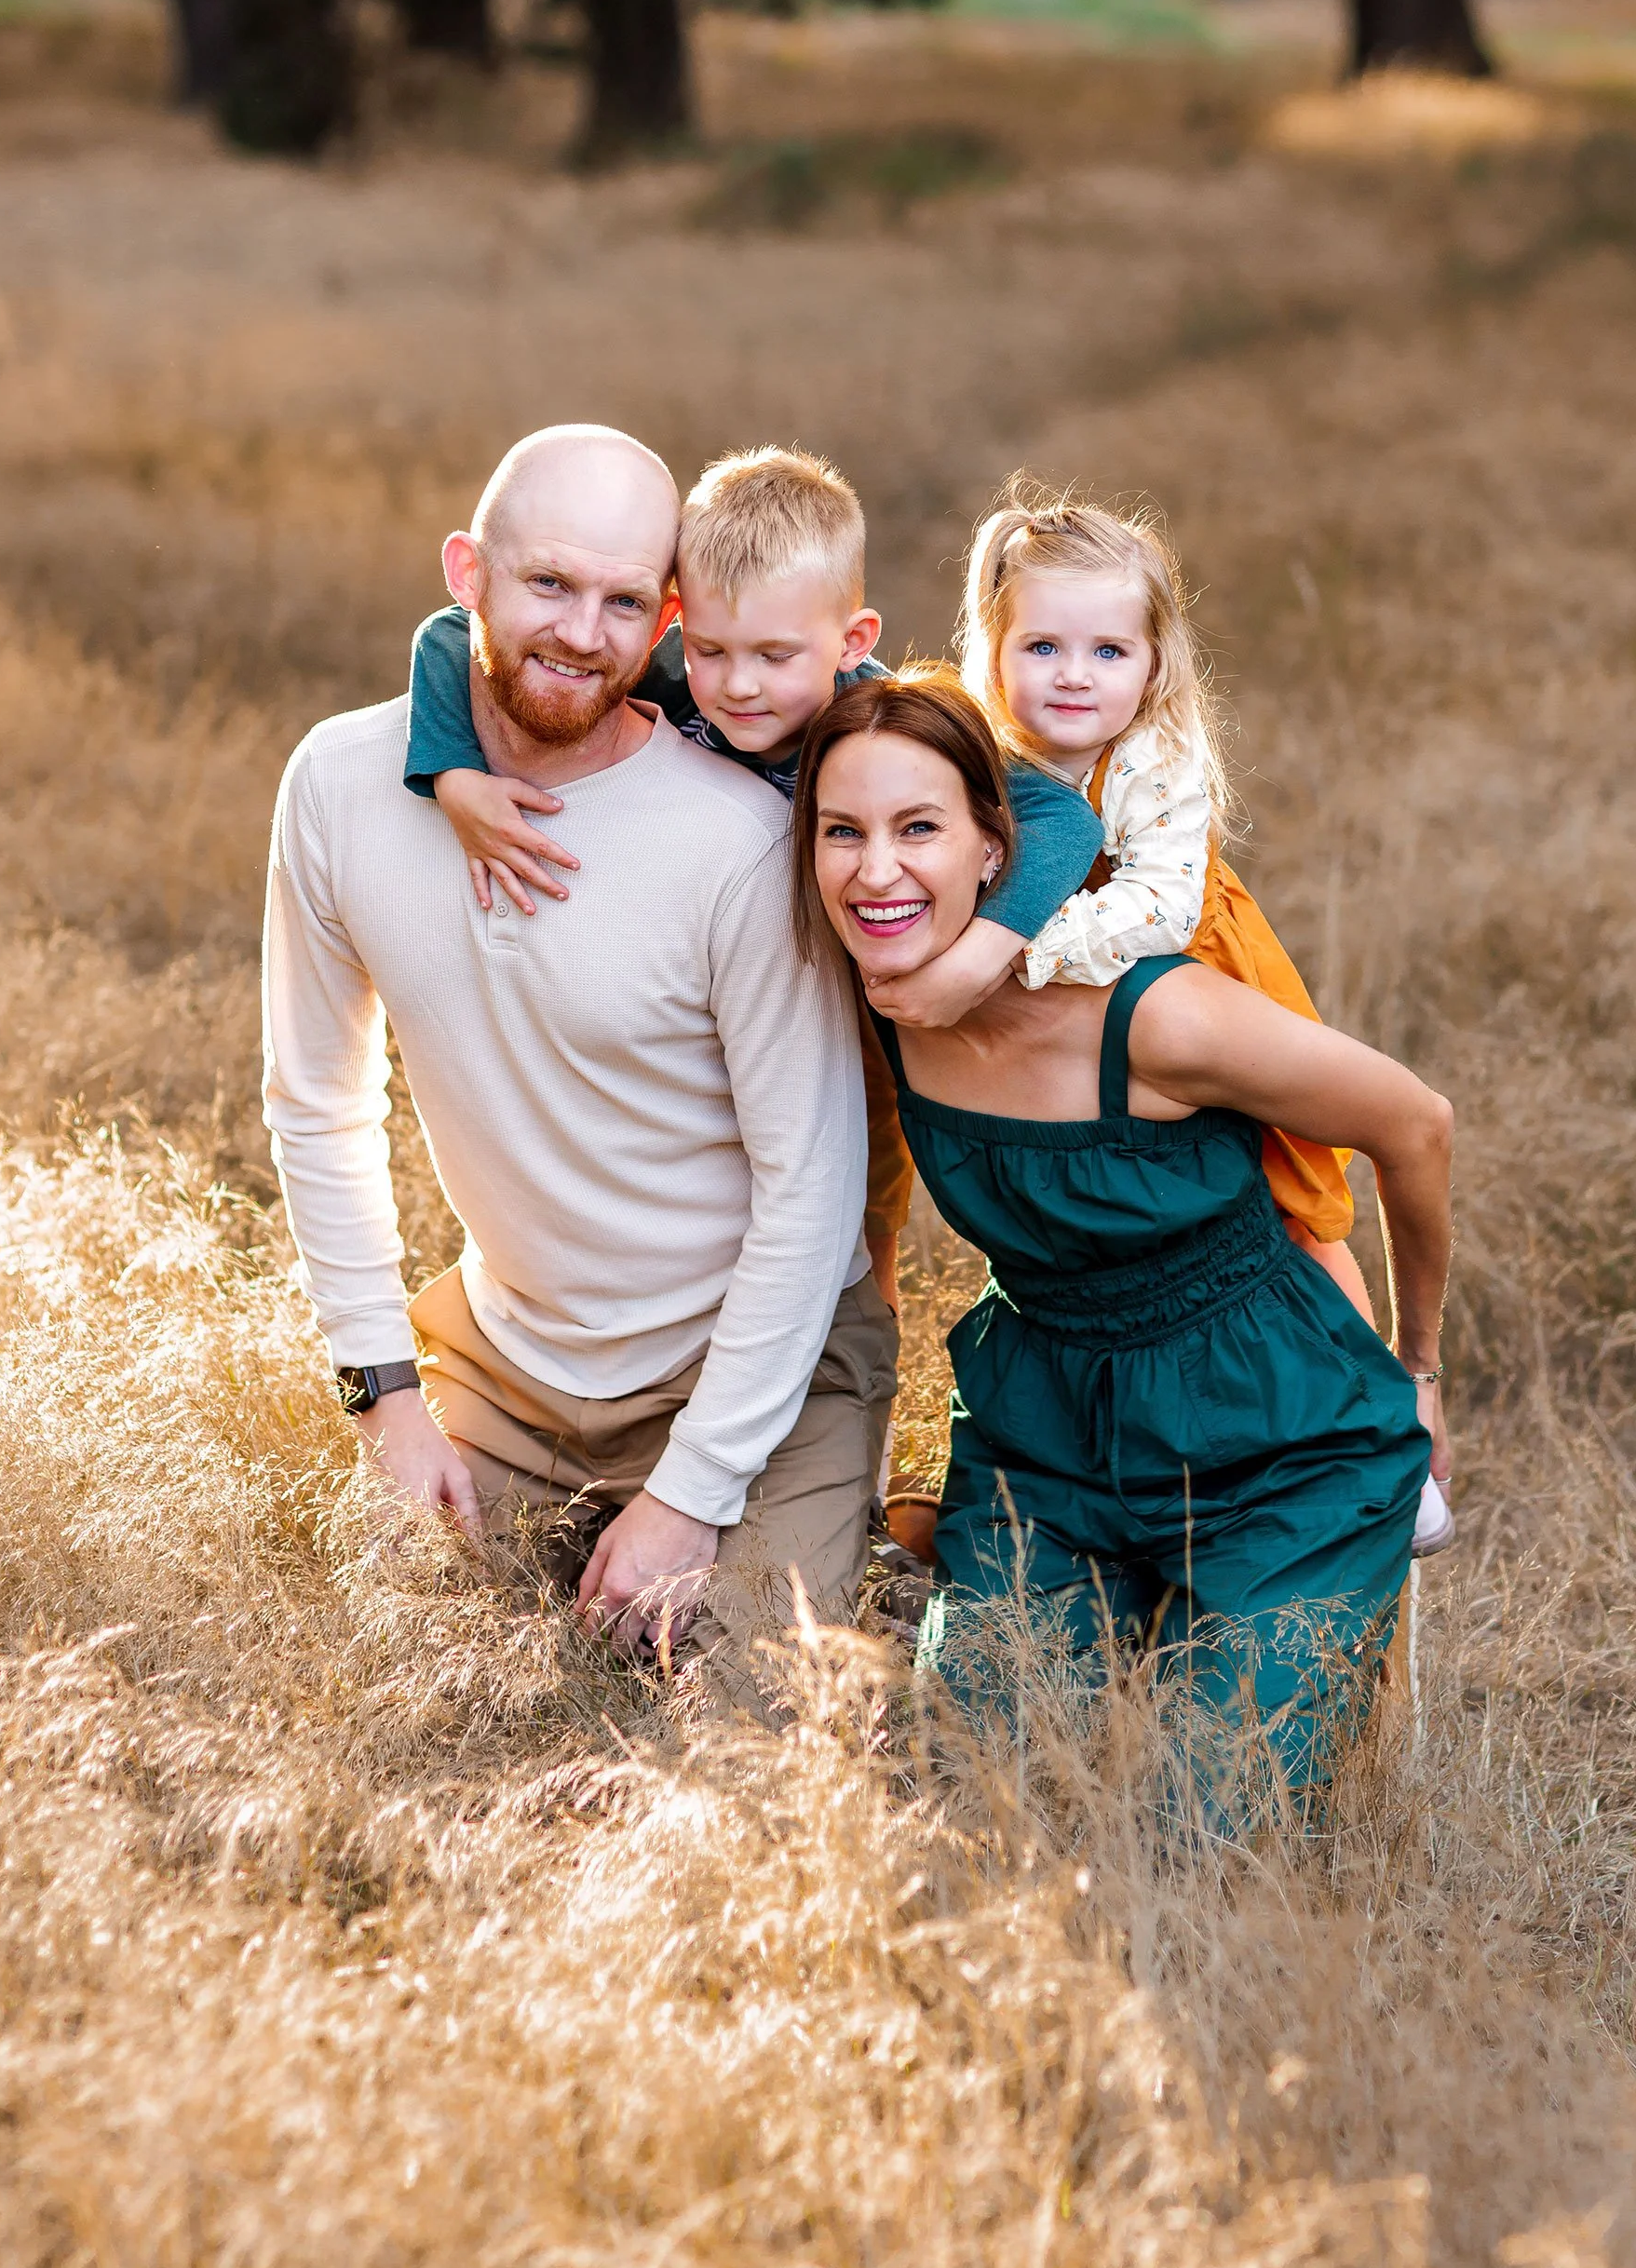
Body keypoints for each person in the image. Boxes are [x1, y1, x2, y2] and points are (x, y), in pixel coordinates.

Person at [261, 421, 899, 1699]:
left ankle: (889, 1533)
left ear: (666, 615)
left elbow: (811, 1192)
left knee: (750, 1728)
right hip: (509, 1362)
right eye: (548, 584)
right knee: (397, 1693)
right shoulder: (340, 783)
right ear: (467, 573)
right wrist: (385, 1396)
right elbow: (317, 1104)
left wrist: (692, 1491)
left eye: (624, 602)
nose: (581, 633)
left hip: (753, 1365)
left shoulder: (742, 840)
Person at [793, 671, 1454, 1814]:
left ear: (995, 849)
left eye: (918, 829)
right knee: (976, 1795)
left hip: (1277, 1442)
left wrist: (1422, 1367)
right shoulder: (874, 1002)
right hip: (1043, 1437)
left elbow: (1414, 1122)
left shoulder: (1153, 1013)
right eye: (840, 832)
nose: (875, 870)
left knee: (1196, 1822)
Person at [867, 482, 1454, 1558]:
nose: (1073, 675)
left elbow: (1157, 906)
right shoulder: (986, 746)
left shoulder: (1154, 755)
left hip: (1188, 964)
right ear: (991, 650)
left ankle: (1376, 1423)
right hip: (1067, 1016)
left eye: (1106, 651)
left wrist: (1006, 953)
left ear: (1153, 663)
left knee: (1287, 1194)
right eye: (1040, 645)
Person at [399, 442, 1104, 1316]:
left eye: (776, 657)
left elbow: (1064, 816)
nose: (737, 687)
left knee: (861, 1200)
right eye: (710, 649)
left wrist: (972, 961)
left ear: (853, 643)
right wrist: (454, 774)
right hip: (705, 992)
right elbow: (447, 630)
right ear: (671, 625)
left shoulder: (887, 725)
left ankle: (861, 1387)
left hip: (860, 1006)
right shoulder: (665, 675)